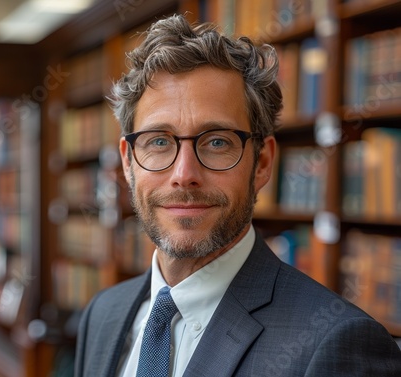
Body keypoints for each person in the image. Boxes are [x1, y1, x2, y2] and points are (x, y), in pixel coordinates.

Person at [74, 14, 401, 377]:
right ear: (128, 163)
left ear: (262, 163)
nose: (184, 175)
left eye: (217, 142)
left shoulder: (337, 343)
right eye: (159, 142)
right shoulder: (103, 314)